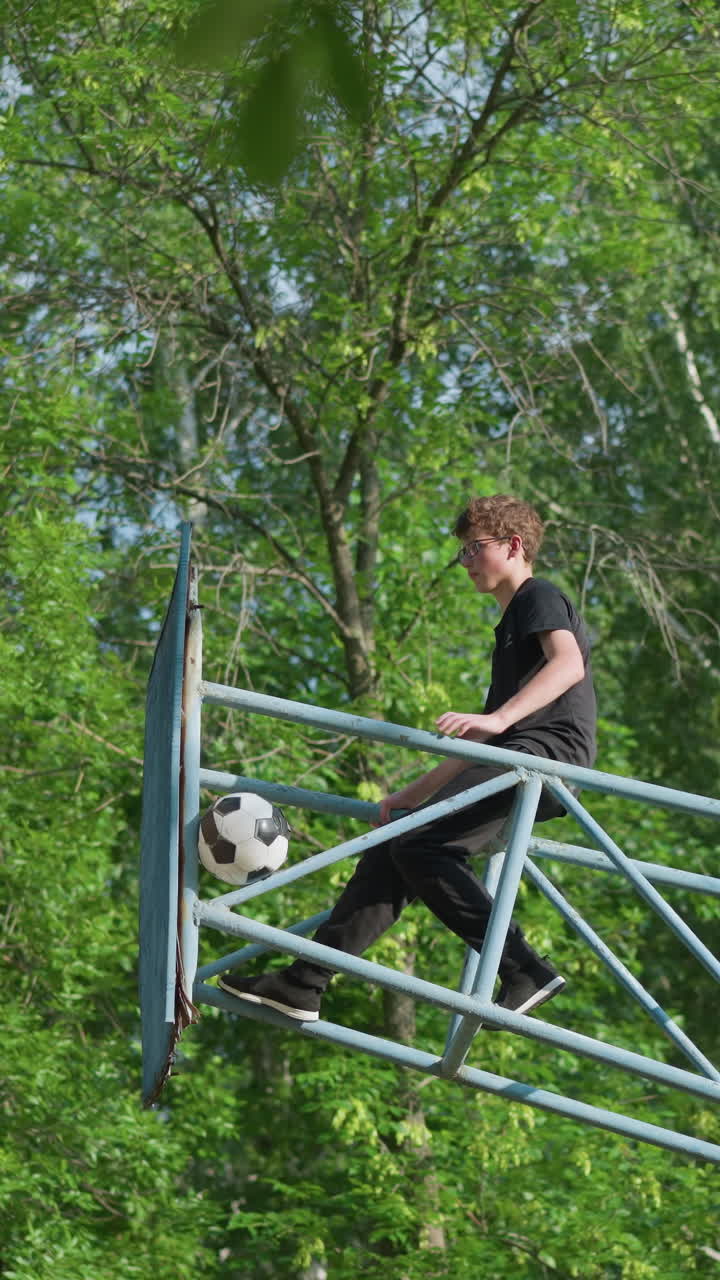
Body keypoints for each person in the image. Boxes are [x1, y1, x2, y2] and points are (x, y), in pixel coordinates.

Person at [218, 495, 597, 1025]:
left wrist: (496, 719)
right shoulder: (510, 627)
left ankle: (524, 969)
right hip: (516, 757)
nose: (465, 561)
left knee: (423, 845)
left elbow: (569, 665)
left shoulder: (538, 597)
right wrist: (409, 797)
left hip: (545, 759)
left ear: (514, 547)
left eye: (475, 549)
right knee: (397, 842)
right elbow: (481, 748)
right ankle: (303, 982)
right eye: (462, 551)